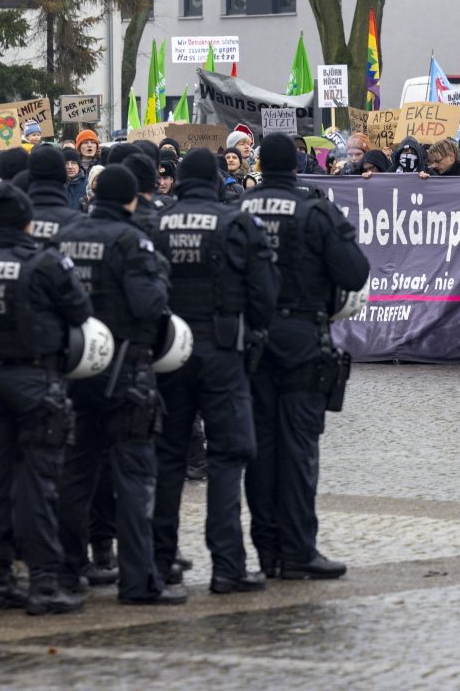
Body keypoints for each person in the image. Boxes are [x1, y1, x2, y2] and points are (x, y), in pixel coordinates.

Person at [241, 133, 369, 580]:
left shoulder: (239, 209)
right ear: (296, 165)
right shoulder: (314, 211)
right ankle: (298, 550)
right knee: (298, 447)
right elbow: (354, 271)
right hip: (301, 337)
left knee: (260, 449)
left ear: (259, 164)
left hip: (251, 340)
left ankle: (267, 552)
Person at [152, 149, 278, 594]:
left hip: (169, 351)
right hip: (224, 350)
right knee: (227, 457)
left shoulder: (156, 223)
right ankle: (227, 565)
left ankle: (159, 561)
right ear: (216, 180)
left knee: (168, 456)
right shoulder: (237, 223)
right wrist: (251, 332)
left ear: (179, 180)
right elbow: (265, 293)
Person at [54, 166, 179, 605]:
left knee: (75, 475)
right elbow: (148, 304)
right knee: (134, 477)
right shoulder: (131, 241)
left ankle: (67, 572)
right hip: (126, 370)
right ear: (131, 199)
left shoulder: (66, 236)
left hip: (77, 370)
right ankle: (138, 580)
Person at [0, 184, 91, 615]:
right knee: (39, 483)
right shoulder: (45, 262)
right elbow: (80, 312)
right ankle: (43, 583)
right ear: (27, 222)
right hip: (36, 378)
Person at [26, 146, 84, 243]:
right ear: (62, 173)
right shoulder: (77, 221)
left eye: (73, 163)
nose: (70, 167)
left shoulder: (17, 219)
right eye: (66, 164)